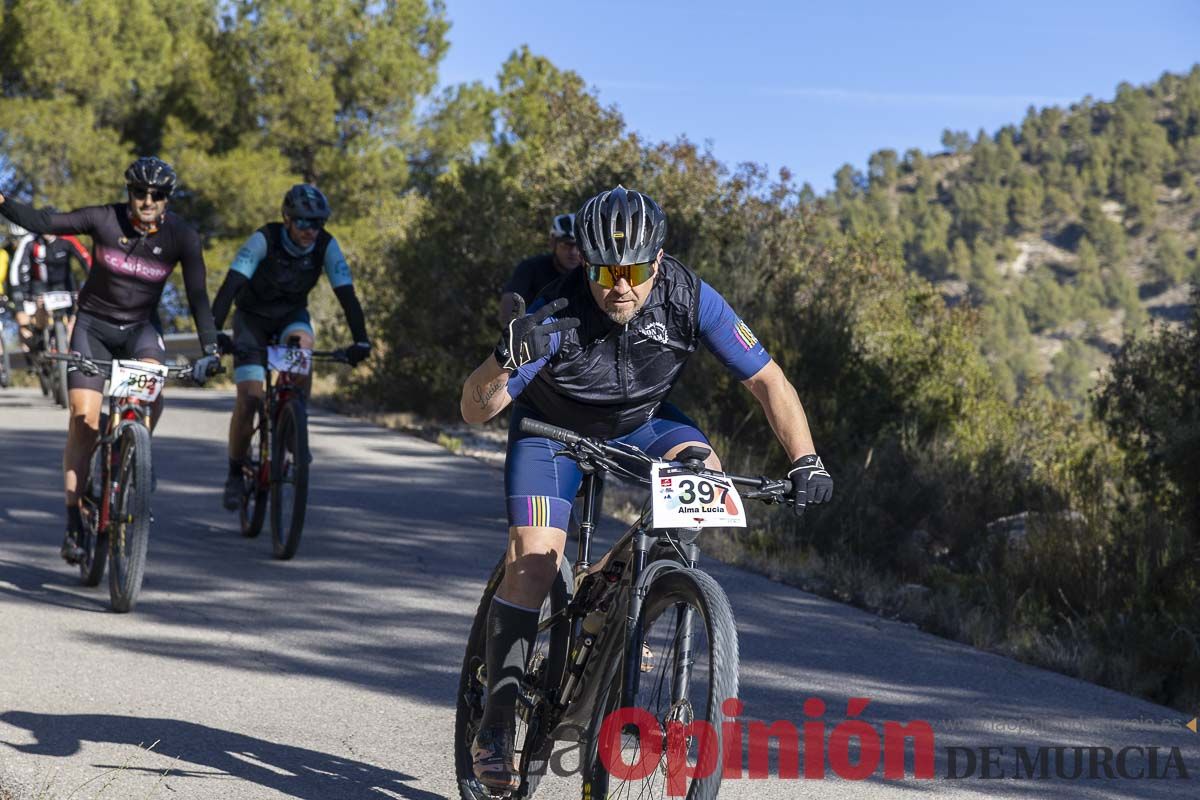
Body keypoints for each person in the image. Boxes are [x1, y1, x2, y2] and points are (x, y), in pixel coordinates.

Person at [458, 185, 834, 792]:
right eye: (606, 270)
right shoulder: (556, 313)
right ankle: (496, 723)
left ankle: (631, 589)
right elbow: (477, 410)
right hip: (550, 433)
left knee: (704, 467)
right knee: (532, 563)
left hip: (643, 423)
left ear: (657, 262)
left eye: (635, 270)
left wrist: (806, 460)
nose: (620, 286)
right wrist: (505, 358)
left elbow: (767, 379)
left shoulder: (690, 297)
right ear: (586, 260)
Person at [0, 157, 222, 563]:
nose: (148, 201)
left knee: (152, 389)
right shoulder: (105, 219)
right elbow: (46, 222)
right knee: (83, 422)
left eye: (157, 195)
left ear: (167, 199)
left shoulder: (183, 237)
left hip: (140, 330)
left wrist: (210, 350)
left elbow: (198, 297)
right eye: (140, 193)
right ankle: (73, 518)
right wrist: (3, 201)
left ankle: (136, 456)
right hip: (93, 328)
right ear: (130, 193)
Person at [210, 183, 372, 510]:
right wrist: (212, 334)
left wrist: (361, 339)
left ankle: (295, 419)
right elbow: (230, 287)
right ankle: (235, 472)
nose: (311, 231)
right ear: (287, 219)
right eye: (303, 222)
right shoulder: (263, 239)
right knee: (251, 398)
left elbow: (347, 296)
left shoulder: (326, 245)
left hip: (290, 318)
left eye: (317, 223)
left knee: (304, 345)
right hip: (252, 319)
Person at [498, 212, 581, 323]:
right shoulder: (530, 268)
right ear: (552, 243)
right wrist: (513, 332)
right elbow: (508, 302)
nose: (574, 252)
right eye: (566, 245)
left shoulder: (590, 272)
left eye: (579, 246)